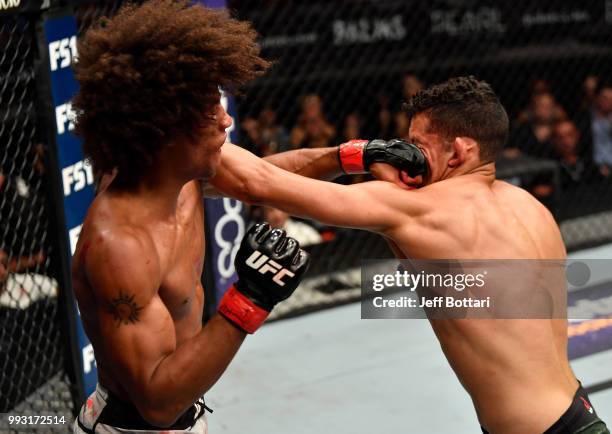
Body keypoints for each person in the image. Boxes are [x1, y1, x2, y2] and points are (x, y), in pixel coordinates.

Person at [70, 1, 420, 432]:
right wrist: (249, 298)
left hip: (189, 413)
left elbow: (263, 178)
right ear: (165, 128)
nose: (227, 120)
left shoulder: (183, 173)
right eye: (208, 113)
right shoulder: (120, 245)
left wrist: (357, 154)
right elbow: (157, 404)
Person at [211, 76, 610, 434]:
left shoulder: (418, 210)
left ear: (458, 150)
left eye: (417, 146)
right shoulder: (530, 207)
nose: (408, 155)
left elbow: (253, 180)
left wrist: (188, 122)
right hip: (577, 411)